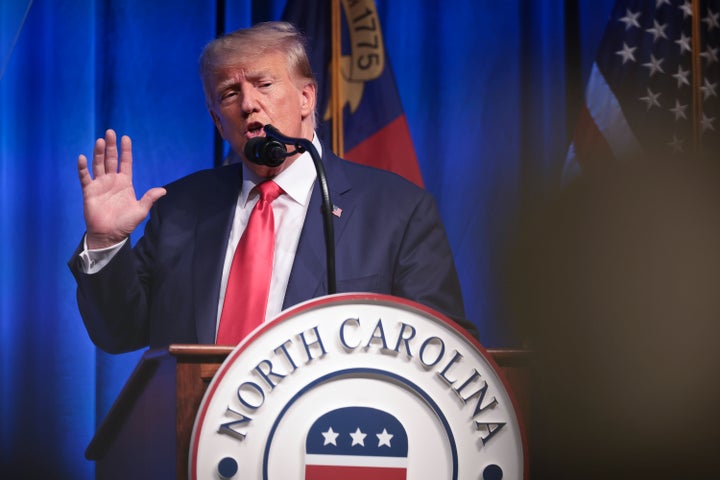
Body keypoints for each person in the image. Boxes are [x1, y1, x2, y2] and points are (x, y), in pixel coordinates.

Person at [68, 21, 475, 354]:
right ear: (216, 120)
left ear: (306, 97)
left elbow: (440, 350)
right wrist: (106, 242)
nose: (248, 104)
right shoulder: (180, 208)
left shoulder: (397, 211)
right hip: (192, 443)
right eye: (230, 93)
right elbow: (119, 334)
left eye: (264, 85)